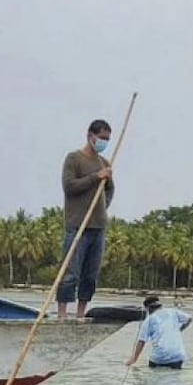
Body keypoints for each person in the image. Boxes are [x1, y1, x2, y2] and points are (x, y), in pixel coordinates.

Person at [57, 119, 115, 320]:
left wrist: (102, 206)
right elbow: (69, 186)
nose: (104, 142)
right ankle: (62, 314)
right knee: (70, 272)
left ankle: (81, 314)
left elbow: (110, 190)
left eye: (107, 139)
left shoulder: (105, 163)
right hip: (77, 225)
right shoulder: (73, 159)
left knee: (90, 275)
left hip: (98, 227)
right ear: (90, 136)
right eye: (101, 138)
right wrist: (95, 177)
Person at [125, 295, 193, 369]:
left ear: (148, 309)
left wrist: (133, 359)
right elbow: (189, 319)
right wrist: (180, 329)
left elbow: (141, 341)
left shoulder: (149, 320)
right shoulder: (173, 312)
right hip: (178, 355)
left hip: (160, 357)